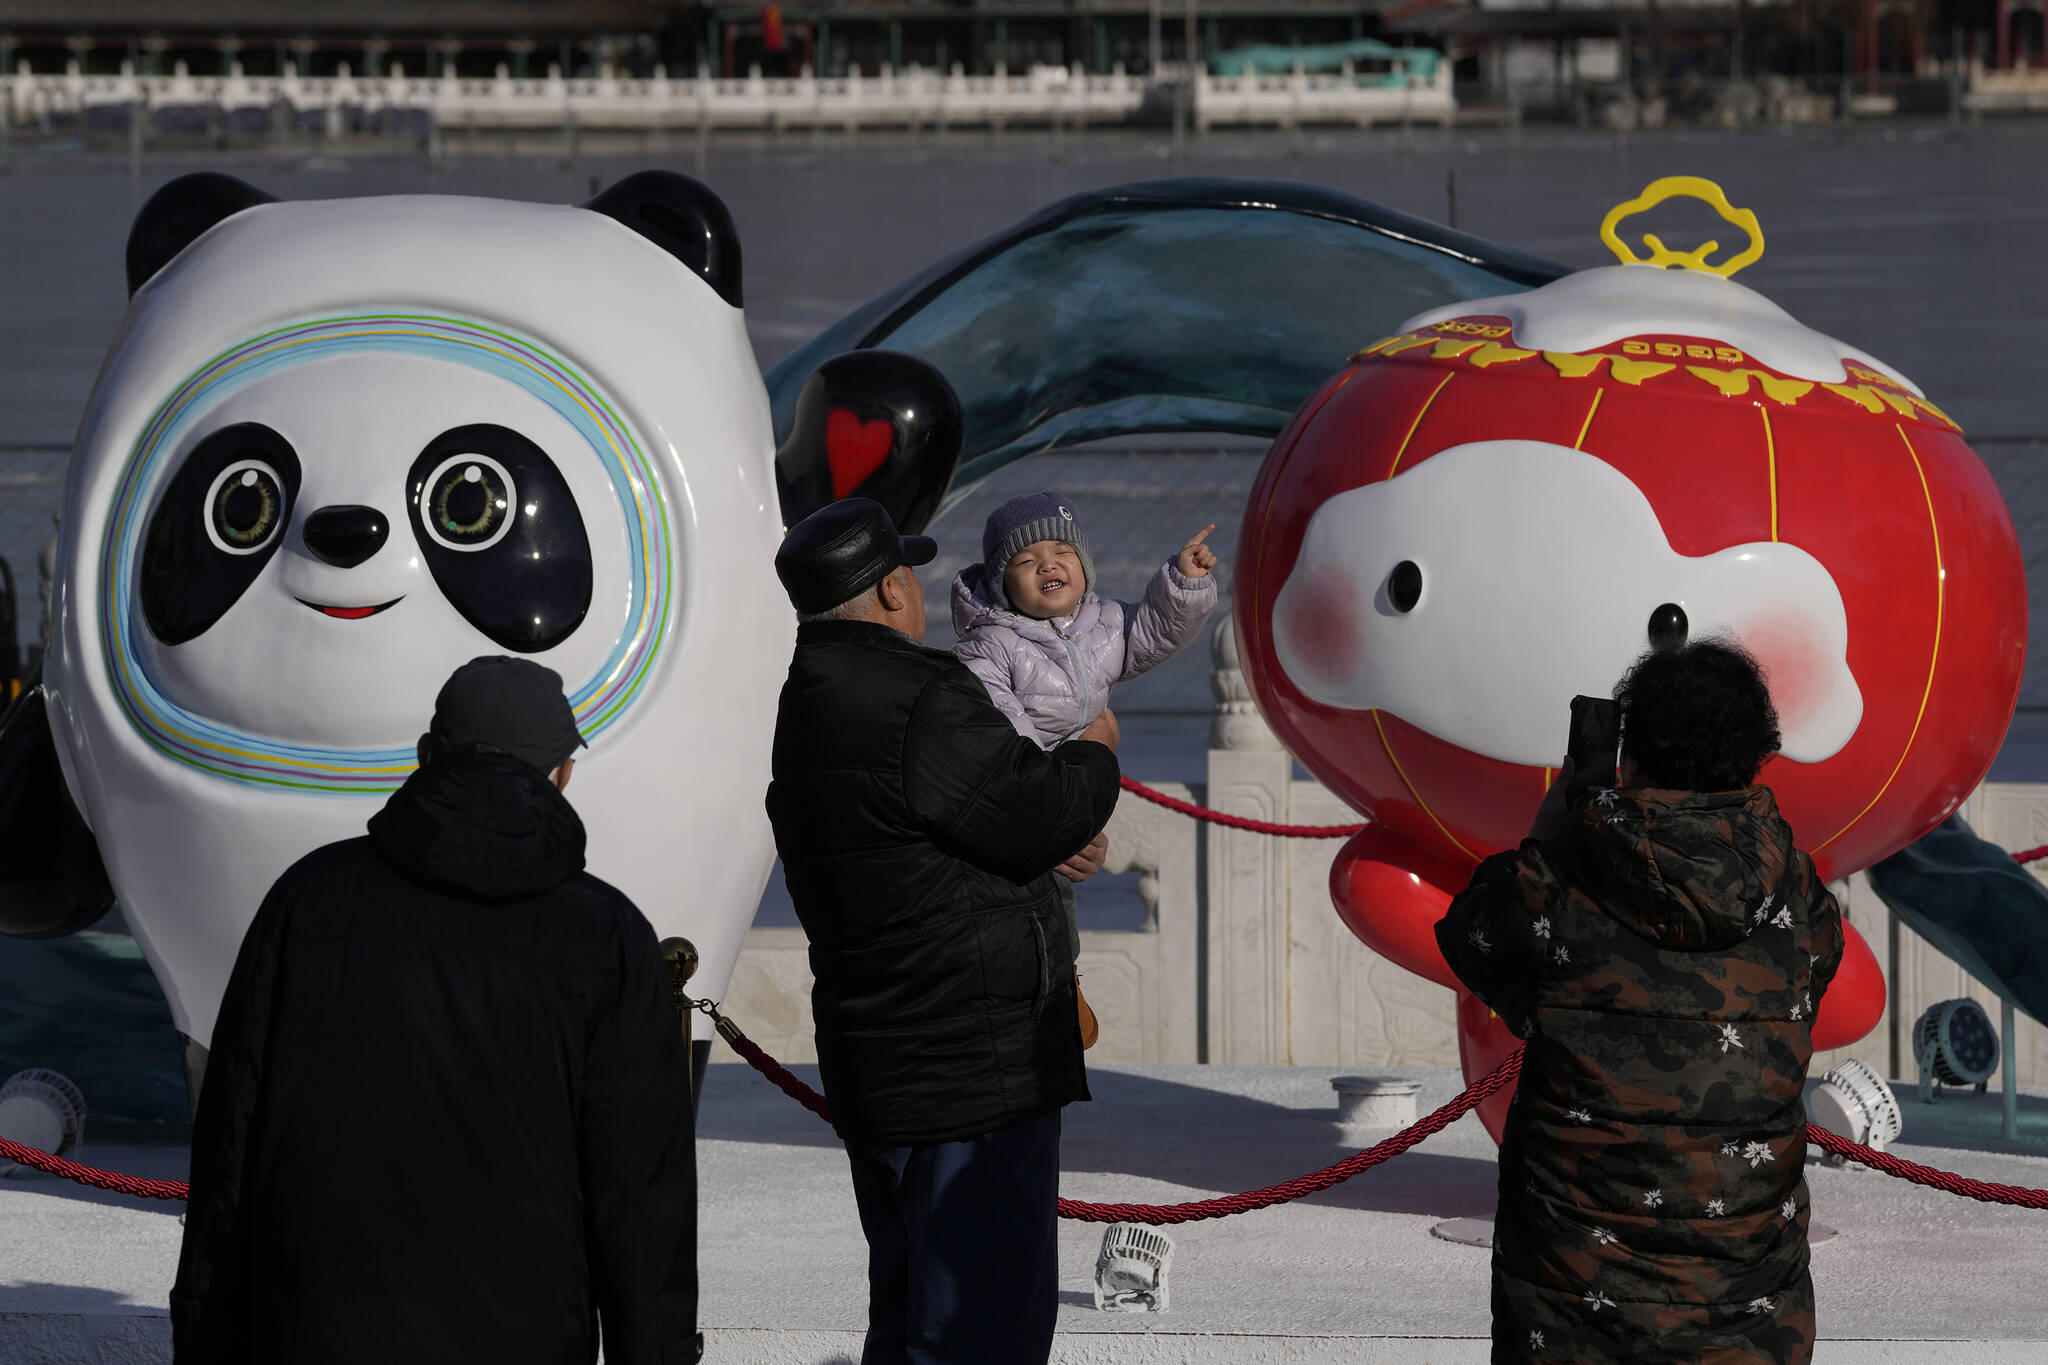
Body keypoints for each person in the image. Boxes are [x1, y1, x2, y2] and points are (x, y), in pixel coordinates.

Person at [172, 657, 699, 1365]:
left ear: (426, 757)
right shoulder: (607, 935)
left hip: (315, 1328)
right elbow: (636, 1194)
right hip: (525, 1333)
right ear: (563, 772)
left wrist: (203, 1337)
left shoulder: (307, 899)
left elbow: (229, 1142)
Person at [766, 496, 1123, 1365]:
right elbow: (1035, 808)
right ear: (892, 590)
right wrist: (1095, 750)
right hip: (976, 1080)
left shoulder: (805, 703)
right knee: (978, 1329)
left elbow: (927, 846)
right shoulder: (917, 695)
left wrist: (1039, 851)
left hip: (882, 1067)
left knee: (907, 1320)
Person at [1436, 640, 1844, 1365]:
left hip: (1572, 1317)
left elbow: (1471, 933)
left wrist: (1553, 824)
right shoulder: (1799, 898)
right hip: (1746, 1318)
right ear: (1756, 755)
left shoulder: (1560, 878)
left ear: (1631, 753)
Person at [949, 491, 1218, 1042]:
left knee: (1061, 888)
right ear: (1002, 582)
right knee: (1042, 888)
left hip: (1070, 786)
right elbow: (1004, 735)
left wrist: (1184, 583)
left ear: (1084, 565)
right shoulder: (988, 646)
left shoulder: (1101, 622)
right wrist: (1052, 804)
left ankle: (1061, 977)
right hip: (1022, 791)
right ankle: (1046, 985)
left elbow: (1154, 634)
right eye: (1026, 560)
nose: (1048, 564)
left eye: (1062, 551)